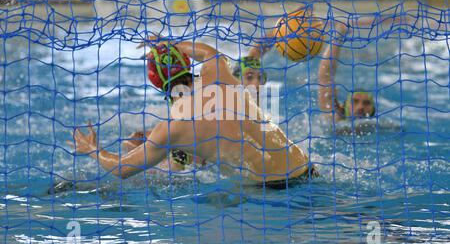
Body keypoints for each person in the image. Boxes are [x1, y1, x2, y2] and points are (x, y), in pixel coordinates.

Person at [67, 39, 313, 184]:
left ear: (154, 81)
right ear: (185, 61)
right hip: (306, 170)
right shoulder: (219, 73)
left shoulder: (171, 129)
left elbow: (122, 169)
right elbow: (207, 52)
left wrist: (92, 149)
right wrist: (168, 45)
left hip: (268, 191)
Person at [318, 22, 376, 125]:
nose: (360, 107)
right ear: (344, 106)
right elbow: (325, 76)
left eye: (366, 103)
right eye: (355, 101)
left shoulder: (381, 127)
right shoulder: (334, 121)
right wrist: (338, 36)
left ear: (373, 111)